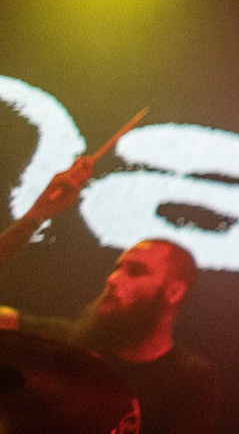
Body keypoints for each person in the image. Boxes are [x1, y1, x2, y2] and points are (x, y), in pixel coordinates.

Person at [0, 157, 219, 434]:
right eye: (117, 268)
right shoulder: (66, 346)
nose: (113, 279)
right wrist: (36, 215)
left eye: (135, 271)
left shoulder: (189, 381)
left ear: (173, 292)